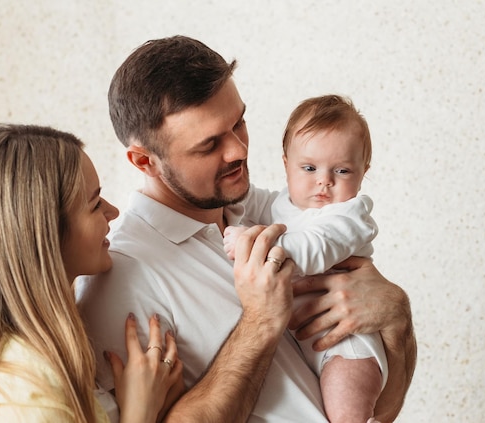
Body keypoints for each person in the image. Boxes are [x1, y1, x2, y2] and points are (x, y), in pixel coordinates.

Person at [76, 35, 416, 422]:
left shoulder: (268, 210)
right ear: (144, 161)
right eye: (209, 145)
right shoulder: (121, 280)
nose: (238, 149)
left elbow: (382, 411)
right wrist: (261, 322)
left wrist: (396, 319)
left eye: (239, 122)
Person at [0, 124, 184, 423]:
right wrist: (139, 414)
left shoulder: (52, 347)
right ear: (46, 233)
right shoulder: (23, 389)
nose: (113, 211)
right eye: (94, 204)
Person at [223, 94, 386, 422]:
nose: (324, 180)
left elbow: (314, 249)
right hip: (309, 344)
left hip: (347, 345)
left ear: (363, 171)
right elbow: (245, 200)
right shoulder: (283, 203)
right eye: (309, 168)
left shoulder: (349, 216)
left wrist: (253, 243)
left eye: (342, 170)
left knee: (346, 413)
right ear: (286, 165)